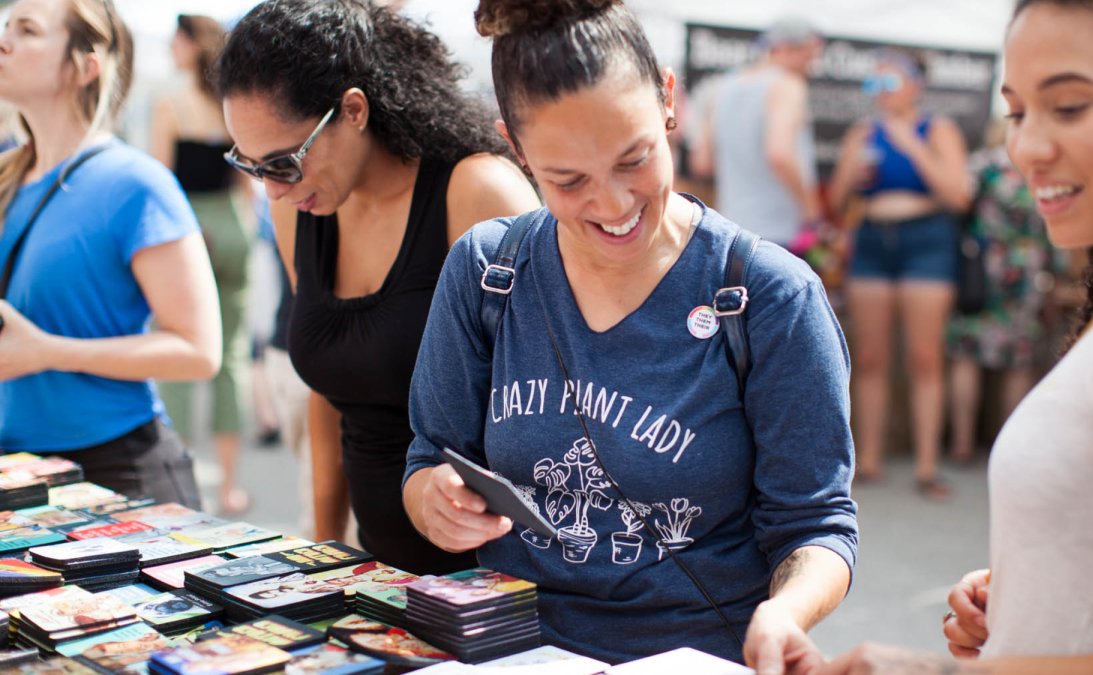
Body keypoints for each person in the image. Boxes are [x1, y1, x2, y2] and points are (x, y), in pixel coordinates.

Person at [402, 0, 857, 669]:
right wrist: (434, 501)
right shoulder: (487, 270)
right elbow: (426, 459)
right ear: (517, 151)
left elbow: (817, 524)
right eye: (568, 180)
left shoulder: (768, 296)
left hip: (693, 652)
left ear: (669, 100)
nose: (613, 204)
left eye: (634, 159)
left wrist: (784, 610)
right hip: (510, 651)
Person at [821, 0, 1093, 673]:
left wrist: (946, 672)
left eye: (1070, 107)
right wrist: (1029, 592)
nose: (1028, 147)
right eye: (1018, 111)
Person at [216, 0, 538, 573]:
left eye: (284, 163)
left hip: (492, 574)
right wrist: (322, 546)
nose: (272, 191)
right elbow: (330, 387)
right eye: (252, 166)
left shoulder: (476, 194)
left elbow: (549, 402)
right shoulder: (304, 204)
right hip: (377, 569)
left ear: (354, 110)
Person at [0, 0, 218, 507]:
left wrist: (49, 352)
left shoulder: (135, 184)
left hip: (114, 475)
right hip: (18, 473)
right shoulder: (8, 178)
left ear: (85, 65)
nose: (3, 40)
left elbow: (199, 350)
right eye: (5, 25)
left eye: (27, 30)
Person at [827, 48, 971, 499]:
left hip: (926, 243)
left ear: (915, 85)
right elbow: (834, 202)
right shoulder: (862, 132)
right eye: (875, 84)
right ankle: (867, 460)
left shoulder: (937, 129)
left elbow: (959, 196)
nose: (882, 92)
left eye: (890, 82)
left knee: (926, 358)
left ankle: (927, 466)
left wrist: (912, 146)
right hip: (872, 241)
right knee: (869, 357)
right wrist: (851, 172)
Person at [150, 14, 253, 516]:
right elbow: (247, 181)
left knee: (175, 352)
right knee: (229, 357)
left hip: (189, 230)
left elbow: (160, 182)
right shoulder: (229, 103)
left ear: (190, 45)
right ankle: (230, 486)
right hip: (232, 228)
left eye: (176, 37)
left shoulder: (171, 102)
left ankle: (179, 476)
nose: (171, 45)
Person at [945, 122, 1060, 464]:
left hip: (982, 267)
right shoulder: (1043, 167)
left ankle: (962, 443)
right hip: (1028, 268)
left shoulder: (984, 166)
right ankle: (1009, 447)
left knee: (966, 354)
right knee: (1020, 360)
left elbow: (958, 202)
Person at [704, 17, 826, 250]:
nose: (813, 65)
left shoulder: (723, 87)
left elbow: (703, 162)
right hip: (778, 234)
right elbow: (779, 154)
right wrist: (812, 211)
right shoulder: (787, 85)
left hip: (731, 229)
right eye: (811, 55)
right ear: (787, 48)